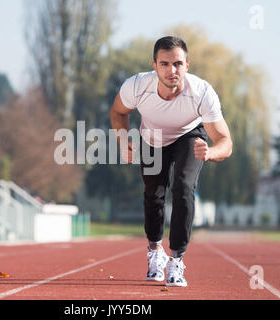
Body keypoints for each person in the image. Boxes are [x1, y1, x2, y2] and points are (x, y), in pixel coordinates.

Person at [109, 36, 233, 287]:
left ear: (187, 65)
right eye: (164, 64)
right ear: (154, 66)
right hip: (152, 136)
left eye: (177, 63)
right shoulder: (136, 86)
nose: (171, 70)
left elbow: (225, 142)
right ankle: (155, 252)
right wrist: (123, 141)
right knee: (154, 192)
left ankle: (176, 260)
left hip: (188, 135)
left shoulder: (201, 93)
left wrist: (210, 152)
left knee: (184, 187)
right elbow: (118, 112)